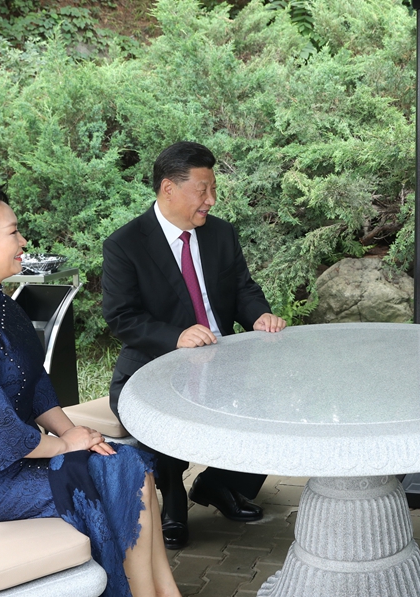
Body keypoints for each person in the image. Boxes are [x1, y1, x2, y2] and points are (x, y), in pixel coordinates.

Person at [0, 180, 180, 597]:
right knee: (122, 474)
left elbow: (35, 382)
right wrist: (64, 445)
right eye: (12, 232)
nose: (23, 241)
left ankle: (163, 591)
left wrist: (73, 432)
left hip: (18, 453)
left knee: (132, 466)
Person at [102, 141, 286, 550]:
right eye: (202, 190)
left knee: (274, 403)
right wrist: (175, 336)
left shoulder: (221, 233)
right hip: (154, 365)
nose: (211, 200)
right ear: (169, 188)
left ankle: (221, 485)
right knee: (163, 415)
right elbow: (121, 316)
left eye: (213, 189)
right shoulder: (125, 244)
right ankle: (173, 504)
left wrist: (259, 315)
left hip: (223, 360)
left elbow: (243, 288)